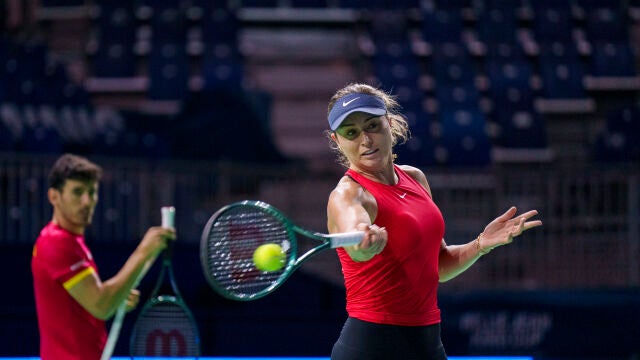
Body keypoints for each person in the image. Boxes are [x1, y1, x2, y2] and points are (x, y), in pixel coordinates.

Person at [325, 83, 542, 360]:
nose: (366, 140)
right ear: (337, 141)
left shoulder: (414, 178)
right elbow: (356, 238)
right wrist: (365, 241)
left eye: (372, 126)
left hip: (427, 342)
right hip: (371, 345)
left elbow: (437, 266)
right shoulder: (348, 195)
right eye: (351, 133)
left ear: (389, 123)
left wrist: (480, 245)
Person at [31, 153, 175, 360]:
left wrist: (117, 297)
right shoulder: (57, 243)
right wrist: (143, 251)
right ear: (54, 196)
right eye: (77, 192)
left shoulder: (69, 241)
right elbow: (101, 305)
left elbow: (87, 304)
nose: (87, 201)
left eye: (92, 192)